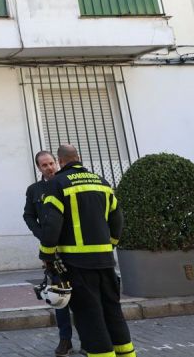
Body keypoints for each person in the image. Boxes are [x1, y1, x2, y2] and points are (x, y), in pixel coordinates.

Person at [39, 145, 137, 357]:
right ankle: (127, 353)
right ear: (78, 158)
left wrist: (46, 255)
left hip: (77, 263)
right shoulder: (101, 182)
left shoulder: (57, 184)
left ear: (61, 162)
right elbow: (117, 217)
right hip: (105, 260)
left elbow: (51, 224)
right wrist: (110, 243)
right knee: (112, 310)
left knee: (88, 314)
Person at [24, 150, 75, 357]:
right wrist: (43, 236)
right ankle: (65, 340)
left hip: (74, 248)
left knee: (82, 297)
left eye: (51, 163)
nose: (49, 168)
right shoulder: (34, 190)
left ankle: (90, 338)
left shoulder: (67, 183)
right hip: (51, 251)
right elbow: (28, 216)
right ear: (39, 168)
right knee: (59, 298)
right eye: (44, 165)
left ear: (57, 162)